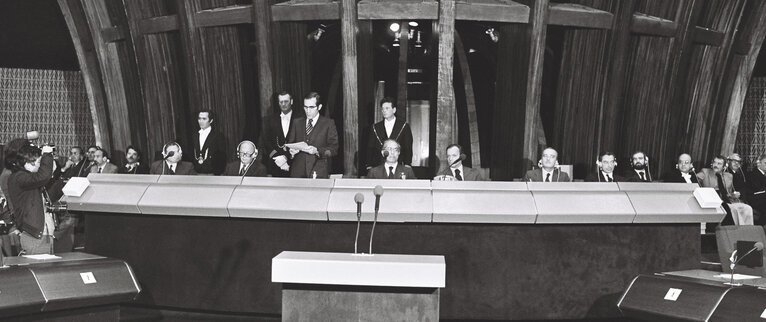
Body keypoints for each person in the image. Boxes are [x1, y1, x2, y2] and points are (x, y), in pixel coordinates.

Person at [7, 145, 56, 254]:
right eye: (39, 162)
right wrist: (47, 155)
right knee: (39, 268)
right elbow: (42, 176)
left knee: (47, 269)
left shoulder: (24, 177)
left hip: (42, 232)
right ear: (28, 162)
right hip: (33, 236)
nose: (40, 166)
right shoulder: (19, 177)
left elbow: (43, 177)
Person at [287, 92, 339, 178]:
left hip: (318, 172)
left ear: (319, 107)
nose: (308, 111)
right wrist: (291, 152)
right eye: (305, 107)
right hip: (298, 173)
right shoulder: (297, 122)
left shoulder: (328, 124)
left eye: (311, 107)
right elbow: (290, 144)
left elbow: (333, 149)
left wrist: (317, 150)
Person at [697, 155, 753, 226]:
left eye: (719, 164)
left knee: (747, 208)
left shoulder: (729, 176)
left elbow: (728, 193)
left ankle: (748, 230)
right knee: (733, 210)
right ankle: (737, 231)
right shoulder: (705, 172)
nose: (715, 165)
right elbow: (695, 178)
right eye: (714, 162)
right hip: (715, 203)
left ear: (724, 166)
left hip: (728, 201)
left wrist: (733, 195)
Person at [365, 97, 413, 170]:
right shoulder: (375, 127)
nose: (384, 111)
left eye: (387, 108)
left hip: (398, 167)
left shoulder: (404, 126)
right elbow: (370, 147)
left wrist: (407, 164)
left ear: (394, 110)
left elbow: (408, 147)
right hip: (379, 167)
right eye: (382, 109)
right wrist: (369, 165)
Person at [261, 91, 296, 177]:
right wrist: (278, 158)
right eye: (281, 102)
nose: (283, 104)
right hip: (275, 164)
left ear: (291, 101)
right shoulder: (269, 120)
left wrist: (286, 157)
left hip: (295, 164)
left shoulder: (300, 119)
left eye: (286, 101)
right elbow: (266, 142)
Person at [191, 110, 227, 175]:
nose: (201, 121)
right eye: (199, 118)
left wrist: (216, 174)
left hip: (212, 173)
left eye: (204, 119)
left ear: (211, 121)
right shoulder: (194, 135)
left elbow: (222, 157)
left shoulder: (218, 135)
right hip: (196, 173)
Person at [747, 154, 766, 225]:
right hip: (755, 199)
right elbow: (758, 189)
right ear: (759, 163)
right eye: (765, 163)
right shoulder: (752, 174)